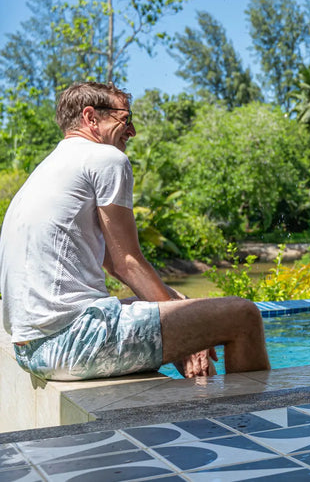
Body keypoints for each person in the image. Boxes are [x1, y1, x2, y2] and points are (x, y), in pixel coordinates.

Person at [0, 82, 270, 380]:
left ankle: (206, 407)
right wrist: (188, 338)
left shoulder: (48, 170)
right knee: (243, 316)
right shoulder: (105, 159)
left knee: (180, 305)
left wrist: (178, 308)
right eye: (125, 119)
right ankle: (250, 421)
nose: (132, 131)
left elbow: (110, 261)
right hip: (71, 342)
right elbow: (126, 262)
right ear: (91, 118)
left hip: (31, 347)